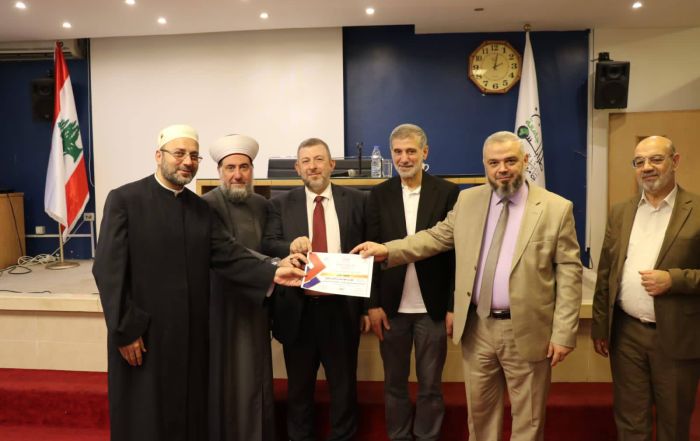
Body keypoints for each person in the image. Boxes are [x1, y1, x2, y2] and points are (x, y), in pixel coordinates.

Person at [353, 131, 582, 441]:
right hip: (478, 327)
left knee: (528, 420)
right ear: (485, 164)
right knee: (480, 416)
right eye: (494, 163)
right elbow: (436, 237)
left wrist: (564, 332)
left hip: (527, 330)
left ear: (526, 160)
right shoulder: (469, 200)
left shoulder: (556, 208)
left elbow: (569, 273)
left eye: (510, 161)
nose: (502, 169)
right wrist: (387, 250)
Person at [93, 124, 304, 441]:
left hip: (189, 336)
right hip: (144, 335)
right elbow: (108, 269)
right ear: (159, 156)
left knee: (188, 416)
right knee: (145, 418)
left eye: (194, 156)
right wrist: (125, 329)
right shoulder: (125, 199)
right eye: (179, 153)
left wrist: (272, 272)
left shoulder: (199, 209)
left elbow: (228, 254)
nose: (187, 161)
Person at [591, 136, 700, 441]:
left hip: (676, 336)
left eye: (656, 159)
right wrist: (600, 326)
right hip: (626, 334)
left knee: (673, 424)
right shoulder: (621, 212)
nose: (647, 167)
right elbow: (606, 271)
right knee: (630, 422)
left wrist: (674, 280)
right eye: (639, 162)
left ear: (675, 162)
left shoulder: (697, 209)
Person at [262, 137, 370, 441]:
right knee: (299, 392)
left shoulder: (358, 201)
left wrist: (366, 307)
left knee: (344, 389)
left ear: (332, 164)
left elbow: (369, 253)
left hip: (341, 309)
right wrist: (289, 246)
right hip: (298, 311)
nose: (313, 166)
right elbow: (267, 243)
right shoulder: (279, 204)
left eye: (319, 159)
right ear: (297, 168)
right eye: (306, 161)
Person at [366, 123, 458, 441]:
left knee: (431, 385)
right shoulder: (378, 195)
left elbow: (455, 255)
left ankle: (428, 437)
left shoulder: (448, 192)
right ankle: (399, 436)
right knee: (394, 384)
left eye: (411, 151)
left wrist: (452, 306)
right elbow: (370, 253)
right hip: (390, 310)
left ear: (424, 152)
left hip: (432, 309)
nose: (404, 158)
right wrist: (372, 305)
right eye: (398, 152)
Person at [203, 134, 276, 441]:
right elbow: (227, 251)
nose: (237, 175)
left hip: (258, 300)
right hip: (222, 303)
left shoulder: (262, 204)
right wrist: (273, 267)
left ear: (252, 170)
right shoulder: (207, 205)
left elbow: (270, 243)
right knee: (229, 377)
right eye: (230, 168)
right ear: (219, 171)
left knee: (257, 374)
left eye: (244, 167)